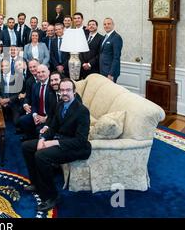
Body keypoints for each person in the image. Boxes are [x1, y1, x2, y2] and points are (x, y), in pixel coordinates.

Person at [22, 78, 91, 212]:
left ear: (74, 92)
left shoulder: (82, 111)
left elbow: (80, 141)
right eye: (62, 90)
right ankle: (36, 183)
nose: (65, 93)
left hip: (76, 147)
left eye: (68, 90)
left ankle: (52, 196)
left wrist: (52, 142)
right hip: (61, 140)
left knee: (41, 155)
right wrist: (43, 138)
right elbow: (53, 127)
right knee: (26, 146)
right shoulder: (59, 104)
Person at [99, 18, 123, 82]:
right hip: (102, 70)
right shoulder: (104, 37)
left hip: (109, 72)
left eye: (109, 24)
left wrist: (111, 74)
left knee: (109, 91)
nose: (106, 26)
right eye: (104, 24)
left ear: (113, 25)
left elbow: (116, 57)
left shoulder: (116, 37)